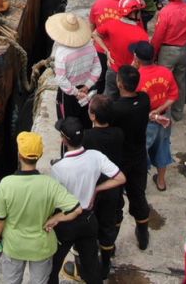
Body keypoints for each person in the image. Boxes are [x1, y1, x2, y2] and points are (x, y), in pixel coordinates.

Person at [0, 131, 82, 284]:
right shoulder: (50, 184)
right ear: (39, 156)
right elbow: (76, 209)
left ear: (19, 155)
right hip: (41, 247)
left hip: (14, 247)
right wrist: (56, 218)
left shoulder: (6, 184)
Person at [49, 117, 124, 284]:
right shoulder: (95, 156)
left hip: (66, 224)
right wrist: (97, 188)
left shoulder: (58, 168)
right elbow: (120, 178)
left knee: (52, 267)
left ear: (64, 140)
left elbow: (53, 201)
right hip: (88, 220)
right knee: (92, 268)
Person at [108, 65, 153, 250]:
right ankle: (143, 236)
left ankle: (108, 245)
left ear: (119, 83)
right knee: (138, 196)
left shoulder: (116, 109)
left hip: (120, 160)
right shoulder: (144, 100)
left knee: (115, 203)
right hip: (139, 157)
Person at [83, 96, 127, 278]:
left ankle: (93, 259)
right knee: (109, 225)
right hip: (112, 187)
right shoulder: (119, 134)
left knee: (91, 225)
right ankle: (106, 261)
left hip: (93, 188)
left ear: (92, 116)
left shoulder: (86, 137)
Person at [130, 42, 179, 193]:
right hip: (164, 119)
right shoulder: (166, 72)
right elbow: (173, 95)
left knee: (140, 152)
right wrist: (159, 109)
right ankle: (161, 182)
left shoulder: (136, 78)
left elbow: (131, 103)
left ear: (136, 58)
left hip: (146, 122)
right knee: (163, 147)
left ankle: (139, 184)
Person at [151, 0, 186, 120]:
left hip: (167, 51)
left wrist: (153, 53)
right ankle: (178, 113)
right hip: (184, 49)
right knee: (180, 82)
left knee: (162, 83)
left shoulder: (165, 12)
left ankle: (160, 112)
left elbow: (158, 37)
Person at [47, 12, 101, 130]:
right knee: (86, 121)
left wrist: (76, 92)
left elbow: (61, 79)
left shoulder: (61, 53)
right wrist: (87, 86)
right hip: (86, 90)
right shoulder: (90, 45)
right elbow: (98, 68)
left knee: (68, 125)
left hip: (69, 94)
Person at [95, 0, 150, 97]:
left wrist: (107, 51)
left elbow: (95, 34)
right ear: (133, 13)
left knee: (108, 100)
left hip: (112, 70)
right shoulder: (142, 35)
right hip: (129, 76)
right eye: (139, 11)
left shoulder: (111, 24)